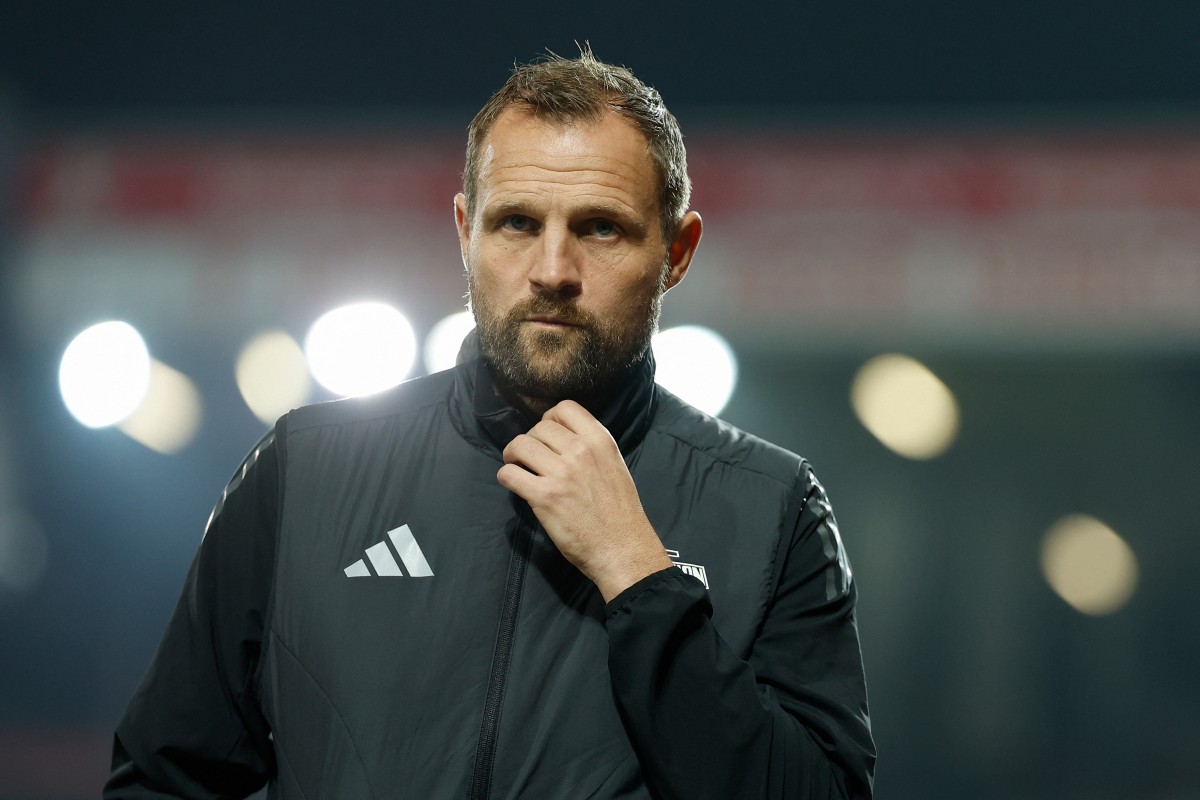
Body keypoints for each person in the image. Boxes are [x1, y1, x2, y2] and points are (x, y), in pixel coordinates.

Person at [105, 48, 875, 799]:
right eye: (516, 223)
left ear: (677, 251)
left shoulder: (774, 508)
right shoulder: (303, 472)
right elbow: (162, 779)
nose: (552, 271)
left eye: (601, 228)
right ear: (464, 231)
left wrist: (639, 575)